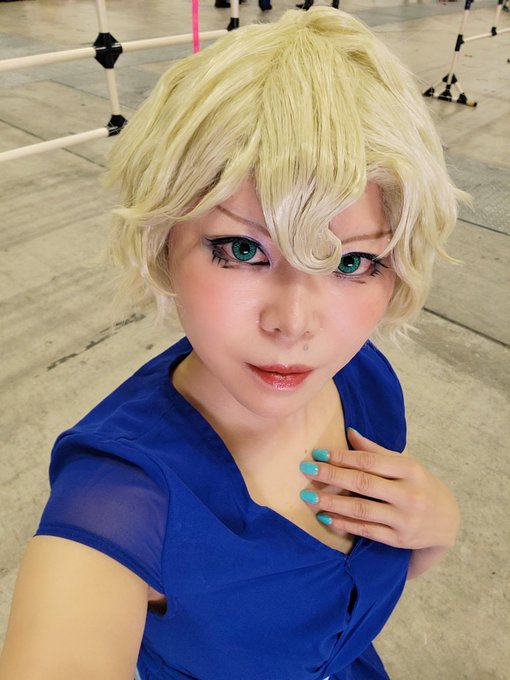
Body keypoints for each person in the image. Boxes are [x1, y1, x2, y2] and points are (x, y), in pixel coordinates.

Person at [0, 8, 462, 680]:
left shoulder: (364, 378)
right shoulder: (121, 498)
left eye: (352, 262)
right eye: (243, 249)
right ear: (164, 238)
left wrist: (438, 524)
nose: (295, 324)